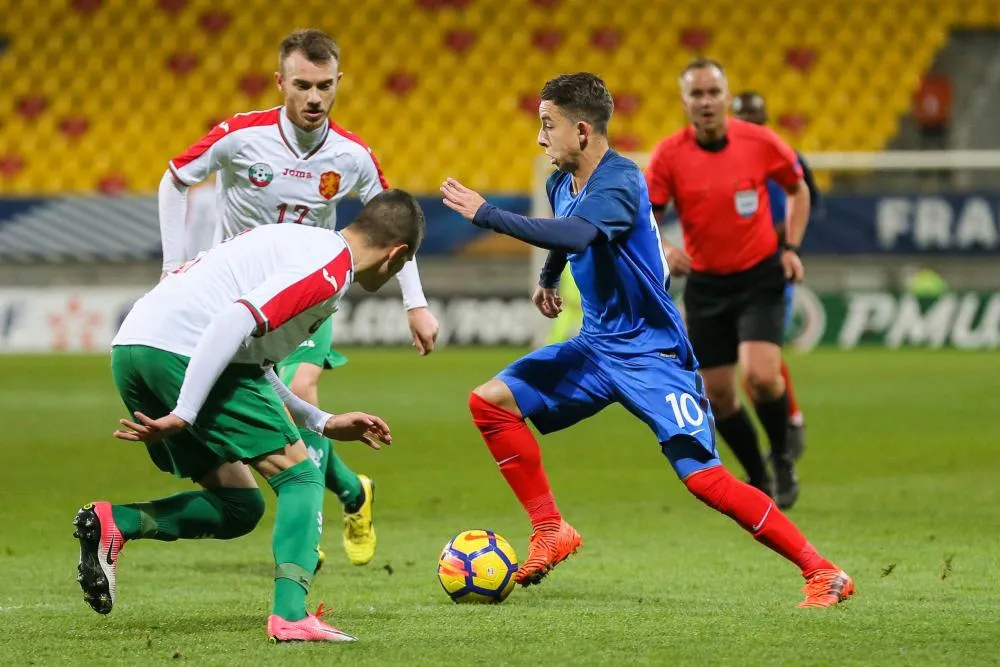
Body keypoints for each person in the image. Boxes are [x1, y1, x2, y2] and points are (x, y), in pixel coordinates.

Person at [441, 72, 853, 607]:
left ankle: (823, 572)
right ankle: (550, 529)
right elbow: (568, 232)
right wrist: (548, 278)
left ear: (582, 131)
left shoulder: (621, 181)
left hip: (651, 353)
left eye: (549, 126)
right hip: (595, 347)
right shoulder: (560, 182)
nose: (541, 139)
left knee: (704, 479)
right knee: (490, 403)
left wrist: (487, 214)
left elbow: (581, 232)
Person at [74, 189, 424, 642]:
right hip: (183, 350)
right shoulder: (327, 270)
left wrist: (322, 421)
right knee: (301, 476)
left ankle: (114, 522)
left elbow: (253, 366)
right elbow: (232, 323)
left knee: (240, 506)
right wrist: (186, 411)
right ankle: (291, 616)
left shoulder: (303, 245)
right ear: (396, 254)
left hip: (135, 348)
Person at [158, 29, 441, 566]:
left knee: (299, 384)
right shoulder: (243, 136)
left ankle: (304, 532)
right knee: (286, 416)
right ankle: (353, 492)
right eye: (303, 85)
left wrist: (415, 302)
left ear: (339, 84)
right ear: (281, 82)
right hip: (239, 298)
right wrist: (174, 267)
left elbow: (395, 225)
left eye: (325, 86)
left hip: (310, 299)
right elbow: (175, 179)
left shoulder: (352, 155)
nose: (314, 97)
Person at [645, 59, 810, 510]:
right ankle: (757, 475)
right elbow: (647, 217)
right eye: (696, 94)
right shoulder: (668, 155)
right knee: (717, 395)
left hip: (760, 276)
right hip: (706, 285)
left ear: (726, 96)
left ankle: (781, 458)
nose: (705, 102)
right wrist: (662, 250)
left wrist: (791, 246)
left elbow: (798, 189)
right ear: (684, 103)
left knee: (762, 376)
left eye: (713, 92)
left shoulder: (758, 141)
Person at [731, 90, 821, 461]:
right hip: (729, 266)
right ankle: (788, 426)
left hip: (769, 264)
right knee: (750, 356)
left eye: (754, 118)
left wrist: (783, 242)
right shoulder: (724, 156)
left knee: (756, 352)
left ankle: (787, 427)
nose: (748, 125)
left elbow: (805, 199)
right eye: (742, 119)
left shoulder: (784, 155)